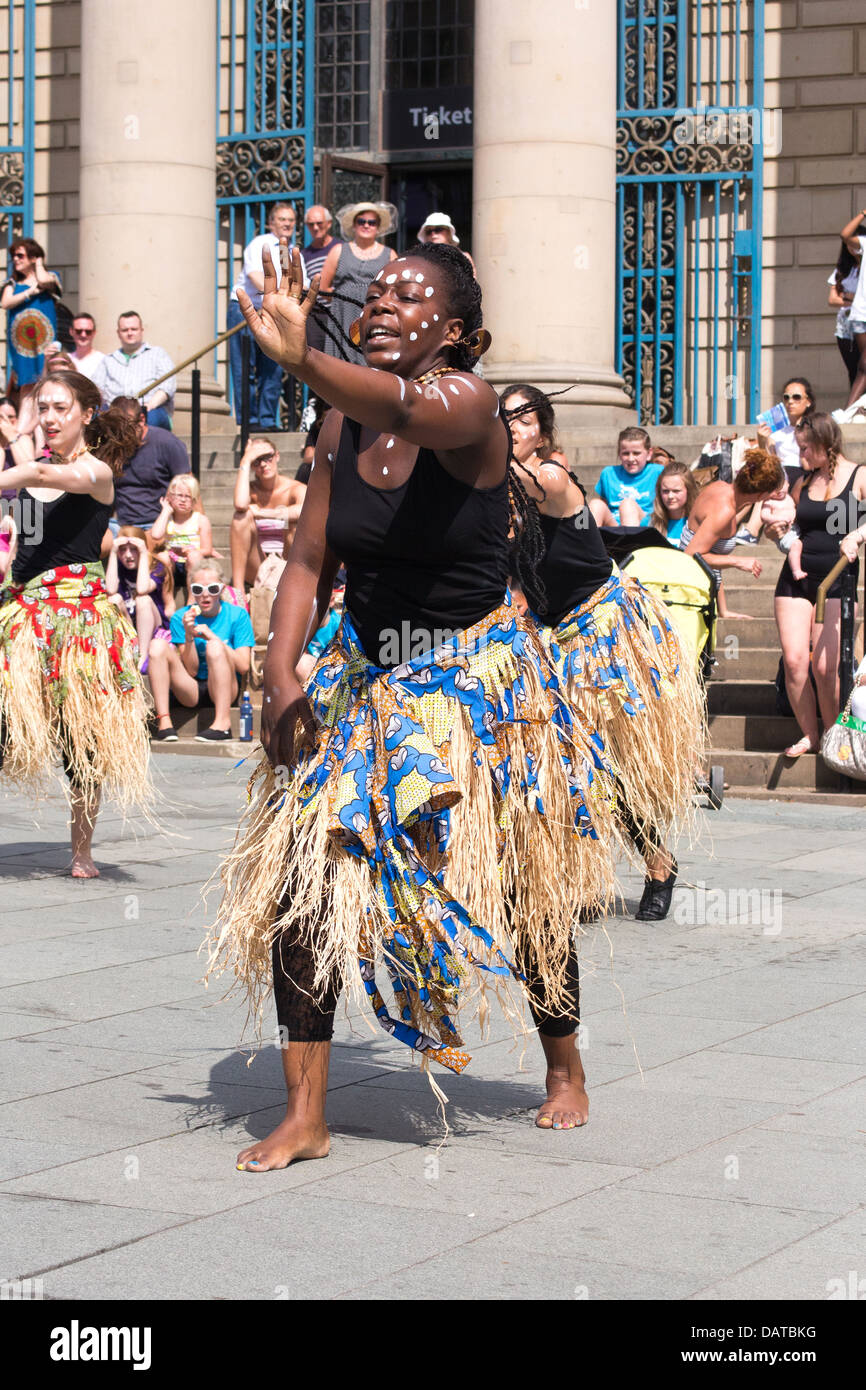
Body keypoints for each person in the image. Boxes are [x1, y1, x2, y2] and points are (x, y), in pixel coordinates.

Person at [206, 238, 626, 1171]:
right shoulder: (339, 425)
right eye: (378, 290)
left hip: (478, 682)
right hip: (366, 675)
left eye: (412, 295)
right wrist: (281, 673)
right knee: (304, 886)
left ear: (457, 330)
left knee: (520, 886)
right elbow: (311, 559)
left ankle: (564, 1064)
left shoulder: (467, 403)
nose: (387, 301)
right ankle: (306, 1111)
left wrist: (302, 359)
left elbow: (400, 401)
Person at [502, 384, 705, 924]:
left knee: (598, 762)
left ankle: (658, 864)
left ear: (543, 431)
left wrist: (465, 439)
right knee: (559, 763)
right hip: (551, 638)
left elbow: (500, 476)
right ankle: (575, 876)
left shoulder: (548, 476)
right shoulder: (501, 496)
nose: (511, 427)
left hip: (604, 632)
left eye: (522, 419)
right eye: (502, 418)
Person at [0, 371, 151, 877]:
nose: (49, 418)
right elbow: (25, 542)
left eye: (60, 408)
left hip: (78, 619)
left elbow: (40, 479)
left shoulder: (97, 473)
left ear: (86, 413)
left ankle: (81, 850)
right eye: (42, 408)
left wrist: (10, 471)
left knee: (79, 739)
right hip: (24, 611)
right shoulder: (33, 473)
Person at [771, 413, 866, 758]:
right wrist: (779, 533)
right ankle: (811, 734)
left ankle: (833, 734)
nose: (801, 457)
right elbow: (793, 527)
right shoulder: (803, 480)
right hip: (797, 579)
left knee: (826, 667)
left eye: (807, 449)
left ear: (827, 445)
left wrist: (858, 533)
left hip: (838, 581)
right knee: (796, 661)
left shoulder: (859, 476)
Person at [148, 558, 254, 743]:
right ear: (191, 590)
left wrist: (213, 638)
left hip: (225, 688)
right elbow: (192, 670)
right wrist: (189, 635)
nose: (205, 595)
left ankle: (222, 724)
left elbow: (243, 666)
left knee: (214, 647)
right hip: (192, 688)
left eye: (212, 589)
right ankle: (164, 722)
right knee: (157, 645)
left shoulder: (238, 615)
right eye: (198, 589)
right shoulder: (182, 617)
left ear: (221, 588)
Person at [680, 448, 783, 626]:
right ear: (760, 495)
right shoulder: (724, 512)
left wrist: (723, 610)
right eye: (772, 492)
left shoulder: (720, 487)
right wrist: (738, 561)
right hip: (690, 595)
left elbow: (712, 550)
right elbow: (691, 555)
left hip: (702, 591)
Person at [227, 203, 297, 428]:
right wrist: (277, 296)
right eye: (282, 219)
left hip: (275, 313)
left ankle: (267, 421)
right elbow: (256, 276)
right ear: (271, 223)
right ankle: (249, 420)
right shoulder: (261, 244)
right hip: (246, 310)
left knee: (273, 368)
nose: (287, 223)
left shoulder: (291, 251)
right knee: (244, 368)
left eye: (291, 220)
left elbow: (295, 284)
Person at [317, 201, 398, 366]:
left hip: (372, 316)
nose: (366, 225)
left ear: (378, 227)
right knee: (339, 364)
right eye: (361, 221)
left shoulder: (390, 255)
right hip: (342, 315)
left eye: (372, 222)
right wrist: (344, 300)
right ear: (354, 225)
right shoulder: (338, 250)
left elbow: (396, 291)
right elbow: (323, 287)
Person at [230, 437, 306, 590]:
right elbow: (240, 504)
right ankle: (238, 591)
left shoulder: (294, 488)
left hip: (289, 562)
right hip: (258, 564)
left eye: (267, 458)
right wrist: (245, 461)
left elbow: (303, 510)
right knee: (240, 518)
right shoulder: (250, 490)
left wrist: (264, 513)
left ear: (277, 456)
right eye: (256, 461)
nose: (263, 464)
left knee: (293, 522)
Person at [108, 396, 190, 529]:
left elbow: (189, 487)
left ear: (142, 419)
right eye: (117, 430)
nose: (123, 436)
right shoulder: (112, 447)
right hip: (120, 525)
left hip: (158, 523)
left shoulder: (167, 443)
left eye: (128, 429)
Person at [104, 527, 175, 669]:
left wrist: (143, 553)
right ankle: (128, 650)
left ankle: (142, 656)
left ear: (143, 548)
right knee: (114, 599)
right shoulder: (117, 567)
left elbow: (142, 589)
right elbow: (111, 590)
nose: (128, 555)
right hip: (130, 625)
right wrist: (112, 552)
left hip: (153, 625)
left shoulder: (157, 566)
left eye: (134, 549)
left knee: (143, 599)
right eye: (123, 550)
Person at [2, 238, 62, 403]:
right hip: (22, 346)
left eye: (20, 255)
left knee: (48, 383)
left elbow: (43, 281)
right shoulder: (12, 283)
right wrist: (30, 292)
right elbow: (5, 303)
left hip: (45, 343)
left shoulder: (51, 277)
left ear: (33, 257)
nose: (16, 259)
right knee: (27, 386)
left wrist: (39, 262)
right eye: (14, 256)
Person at [91, 312, 176, 427]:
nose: (130, 333)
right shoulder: (108, 360)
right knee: (94, 417)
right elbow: (95, 388)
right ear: (118, 333)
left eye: (134, 329)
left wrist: (150, 405)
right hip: (115, 412)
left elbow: (168, 386)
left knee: (151, 419)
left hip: (149, 409)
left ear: (141, 330)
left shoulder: (157, 354)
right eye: (125, 330)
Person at [148, 474, 214, 592]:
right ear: (170, 497)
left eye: (188, 496)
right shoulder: (167, 518)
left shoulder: (200, 520)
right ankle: (168, 600)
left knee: (194, 556)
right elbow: (156, 535)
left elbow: (207, 549)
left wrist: (190, 551)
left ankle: (192, 599)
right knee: (163, 556)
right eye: (179, 495)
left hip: (193, 565)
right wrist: (166, 510)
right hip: (172, 565)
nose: (183, 500)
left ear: (194, 500)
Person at [589, 428, 664, 528]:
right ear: (619, 453)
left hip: (645, 526)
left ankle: (631, 543)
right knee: (596, 504)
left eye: (636, 453)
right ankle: (591, 543)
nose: (631, 459)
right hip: (615, 525)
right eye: (625, 453)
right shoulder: (608, 473)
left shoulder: (658, 472)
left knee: (627, 505)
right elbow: (604, 505)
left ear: (649, 454)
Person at [757, 378, 815, 470]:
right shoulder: (776, 432)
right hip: (782, 478)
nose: (790, 401)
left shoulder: (815, 428)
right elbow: (769, 465)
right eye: (786, 397)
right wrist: (762, 440)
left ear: (808, 402)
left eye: (796, 397)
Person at [841, 207, 866, 408]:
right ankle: (850, 412)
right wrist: (863, 214)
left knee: (864, 366)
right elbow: (845, 234)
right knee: (864, 366)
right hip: (861, 314)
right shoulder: (864, 243)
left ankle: (850, 411)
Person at [649, 461, 698, 545]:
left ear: (689, 491)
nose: (670, 496)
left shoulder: (698, 522)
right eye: (665, 491)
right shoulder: (651, 522)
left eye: (676, 491)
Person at [68, 312, 105, 380]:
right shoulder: (66, 360)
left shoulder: (103, 361)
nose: (83, 335)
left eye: (88, 331)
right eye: (79, 331)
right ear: (71, 331)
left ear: (94, 333)